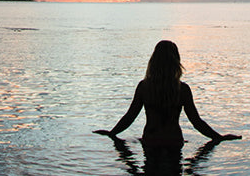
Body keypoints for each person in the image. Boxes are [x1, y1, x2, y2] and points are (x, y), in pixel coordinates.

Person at [95, 40, 241, 148]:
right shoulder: (182, 89)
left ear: (153, 61)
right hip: (174, 141)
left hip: (151, 141)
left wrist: (112, 134)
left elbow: (130, 117)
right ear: (176, 61)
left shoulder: (144, 87)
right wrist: (219, 138)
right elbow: (196, 122)